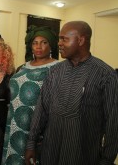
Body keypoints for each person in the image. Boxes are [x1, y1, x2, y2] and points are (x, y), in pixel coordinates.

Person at [25, 21, 118, 165]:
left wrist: (107, 159)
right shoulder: (55, 71)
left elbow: (113, 122)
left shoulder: (105, 75)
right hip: (50, 152)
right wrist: (31, 143)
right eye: (59, 39)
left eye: (64, 39)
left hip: (83, 155)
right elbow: (42, 109)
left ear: (81, 40)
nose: (59, 43)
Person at [2, 26, 59, 165]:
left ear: (51, 45)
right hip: (14, 121)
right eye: (35, 43)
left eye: (44, 42)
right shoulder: (23, 66)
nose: (38, 46)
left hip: (36, 124)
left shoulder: (57, 68)